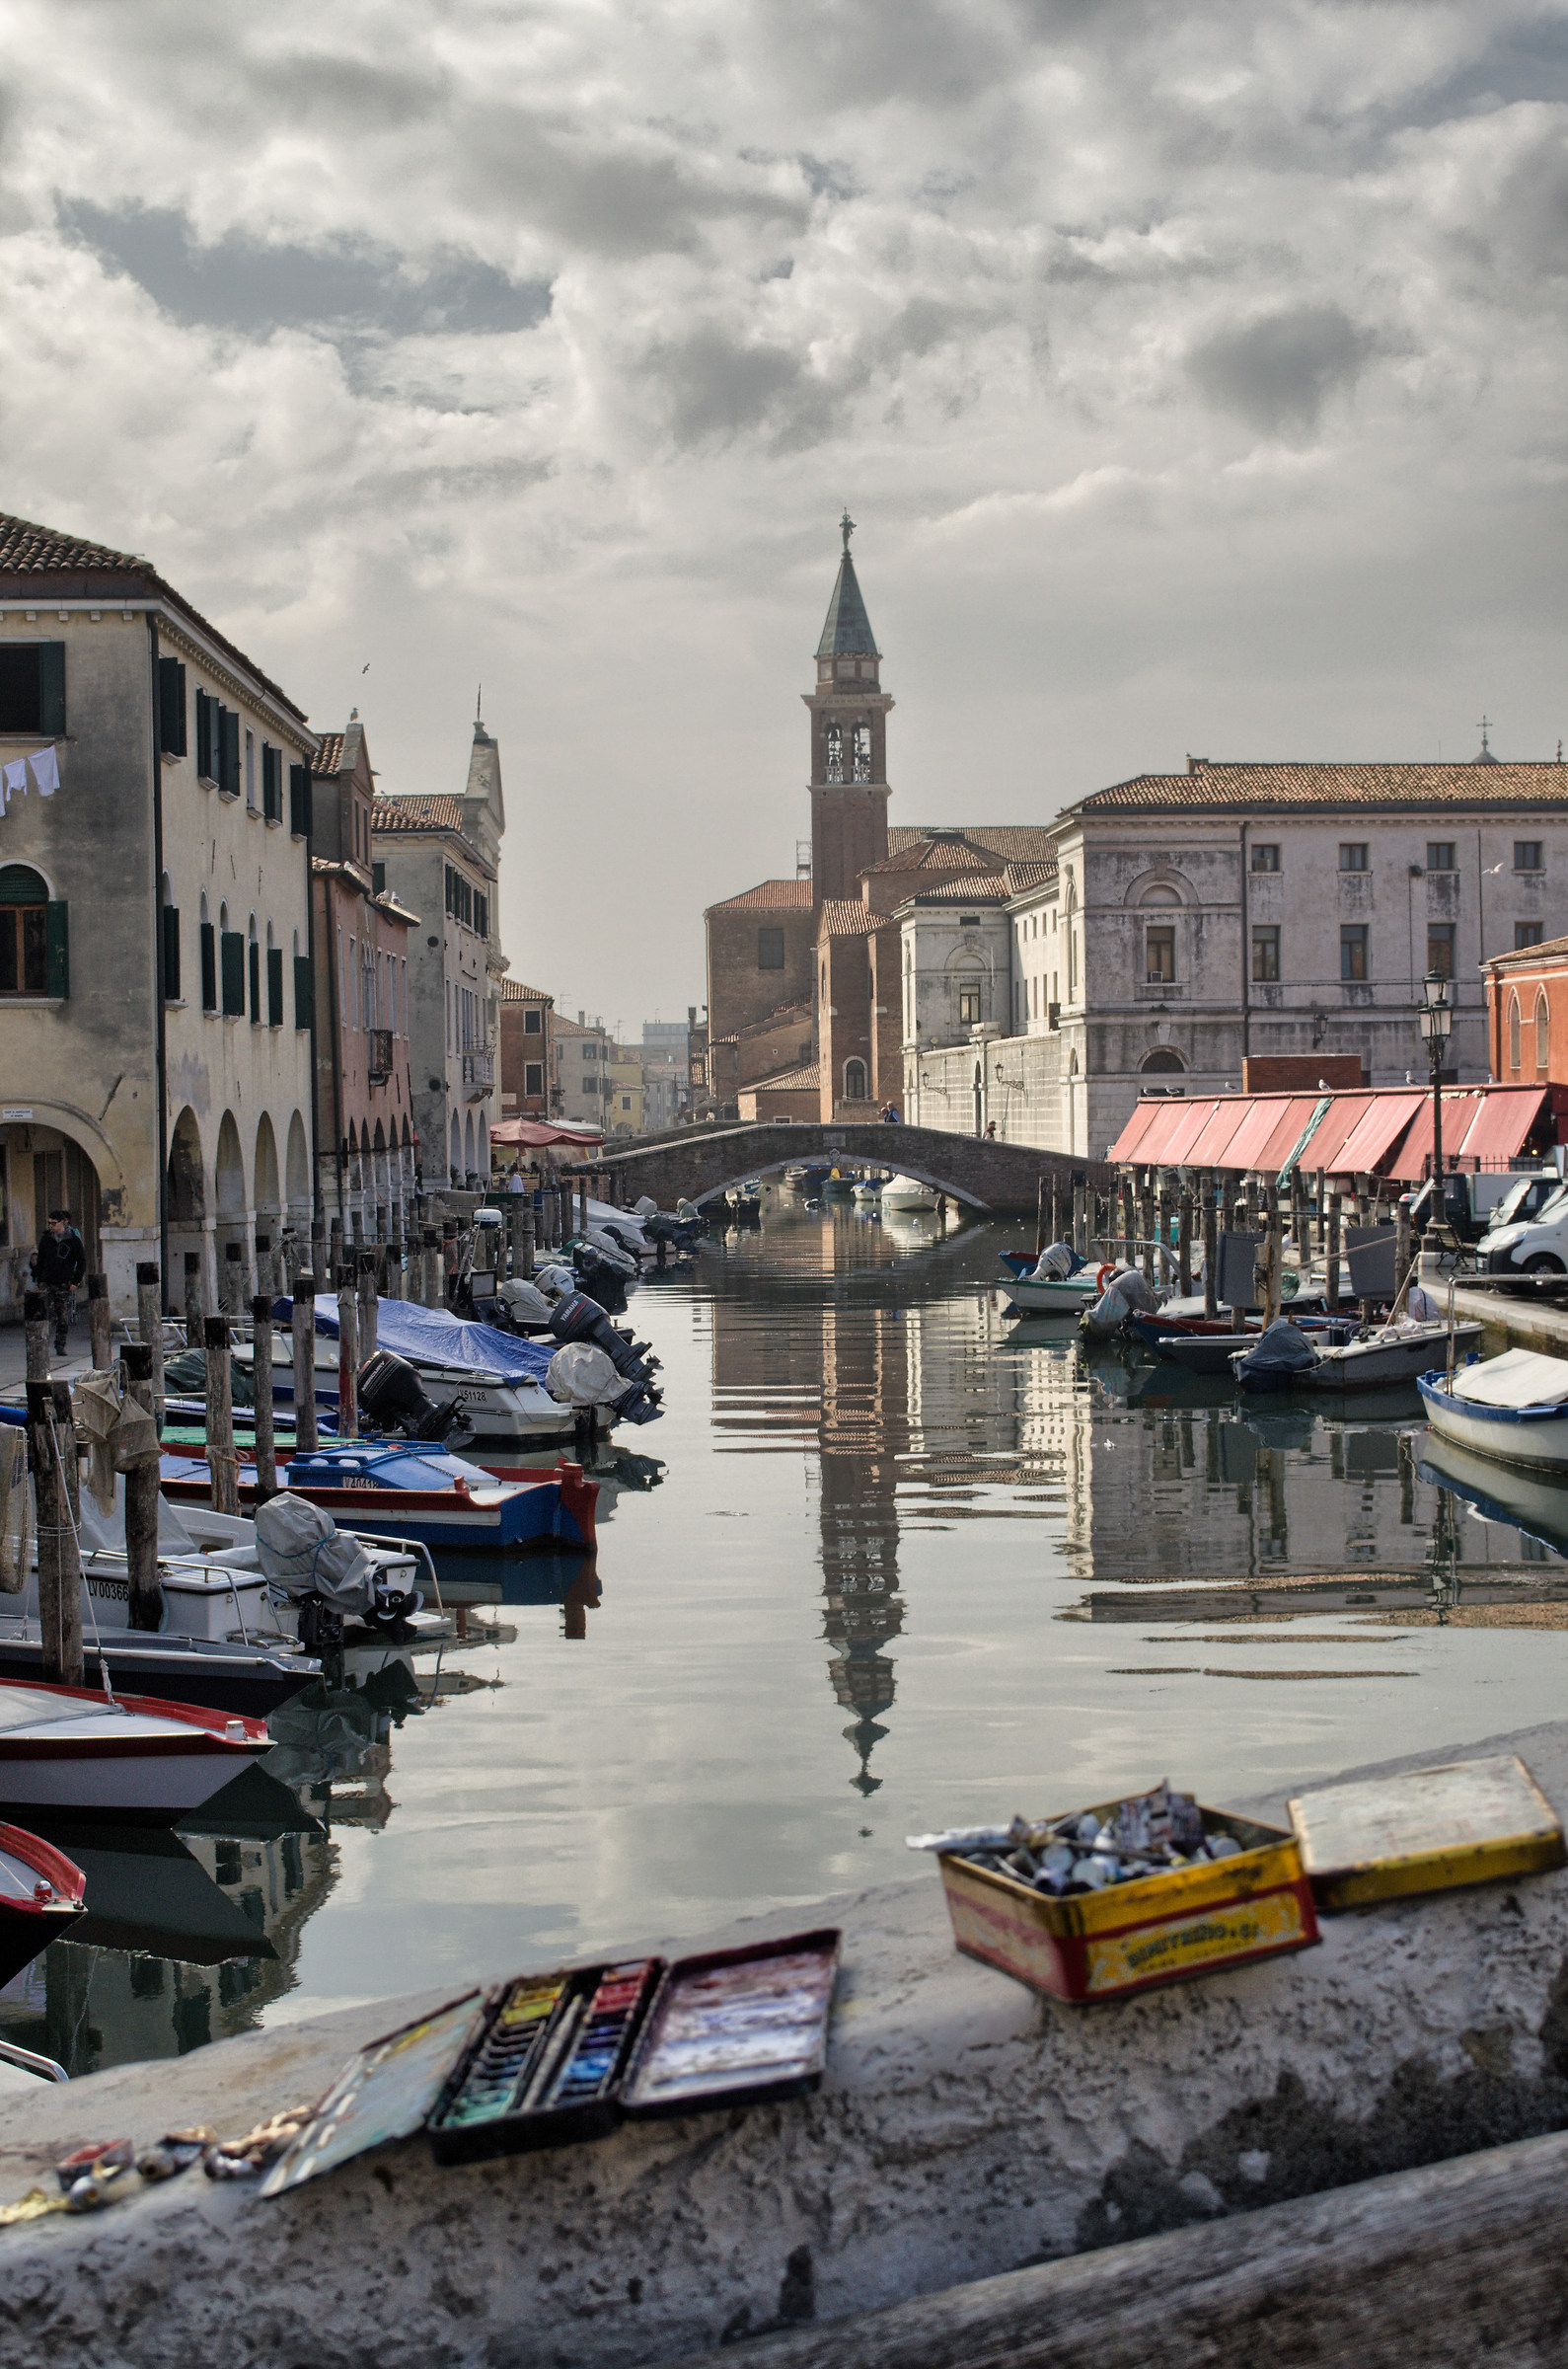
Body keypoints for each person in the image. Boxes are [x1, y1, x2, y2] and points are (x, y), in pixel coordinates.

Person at [33, 1208, 87, 1354]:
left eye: (54, 1223)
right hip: (46, 1281)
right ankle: (40, 1343)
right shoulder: (46, 1239)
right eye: (49, 1223)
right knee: (43, 1313)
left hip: (64, 1282)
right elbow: (41, 1260)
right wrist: (38, 1279)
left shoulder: (73, 1240)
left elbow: (81, 1261)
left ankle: (60, 1344)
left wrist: (75, 1282)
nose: (51, 1226)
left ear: (62, 1222)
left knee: (62, 1315)